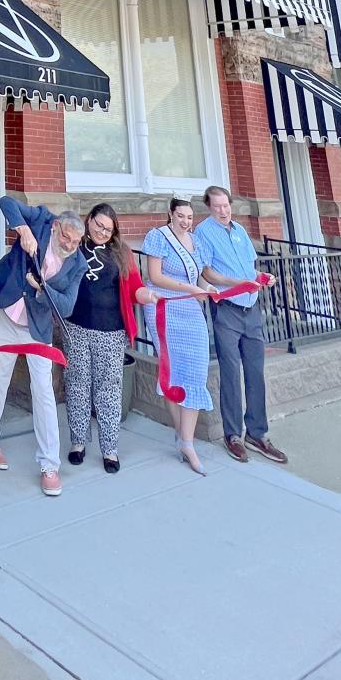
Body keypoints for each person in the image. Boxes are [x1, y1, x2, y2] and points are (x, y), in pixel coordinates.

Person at [0, 196, 83, 495]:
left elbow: (65, 306)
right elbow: (5, 201)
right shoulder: (41, 219)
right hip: (7, 313)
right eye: (66, 237)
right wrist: (22, 229)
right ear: (55, 227)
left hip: (37, 327)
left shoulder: (77, 263)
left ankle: (49, 464)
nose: (70, 245)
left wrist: (43, 287)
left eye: (77, 241)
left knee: (44, 392)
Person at [52, 202, 158, 473]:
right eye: (98, 225)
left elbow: (135, 287)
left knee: (108, 389)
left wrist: (146, 295)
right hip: (75, 327)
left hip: (110, 332)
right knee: (76, 385)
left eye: (108, 229)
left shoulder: (121, 253)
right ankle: (77, 442)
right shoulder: (74, 245)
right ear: (89, 221)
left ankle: (110, 449)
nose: (102, 231)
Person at [196, 184, 287, 465]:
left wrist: (262, 277)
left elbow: (250, 267)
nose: (223, 211)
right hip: (227, 309)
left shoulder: (240, 231)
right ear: (209, 207)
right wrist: (237, 283)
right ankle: (233, 435)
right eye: (218, 207)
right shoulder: (203, 232)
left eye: (227, 206)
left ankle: (257, 434)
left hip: (252, 309)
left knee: (255, 371)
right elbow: (207, 271)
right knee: (231, 372)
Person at [140, 197, 215, 476]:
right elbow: (155, 276)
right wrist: (191, 288)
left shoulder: (196, 241)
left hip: (190, 308)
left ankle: (186, 440)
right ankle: (184, 439)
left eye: (189, 217)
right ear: (170, 214)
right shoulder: (157, 237)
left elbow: (201, 278)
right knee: (172, 372)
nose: (185, 221)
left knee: (195, 372)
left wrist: (208, 289)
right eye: (180, 216)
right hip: (164, 307)